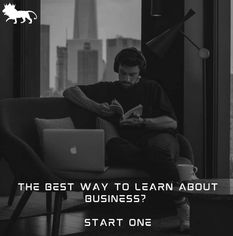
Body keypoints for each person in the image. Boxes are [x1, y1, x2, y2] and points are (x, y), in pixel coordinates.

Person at [63, 47, 190, 232]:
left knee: (156, 150)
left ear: (140, 73)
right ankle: (175, 186)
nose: (126, 79)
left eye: (132, 75)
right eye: (123, 73)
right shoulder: (109, 88)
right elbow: (70, 91)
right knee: (116, 148)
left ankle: (181, 205)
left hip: (158, 137)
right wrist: (96, 107)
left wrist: (144, 121)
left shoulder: (152, 87)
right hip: (130, 145)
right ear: (117, 69)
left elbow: (171, 123)